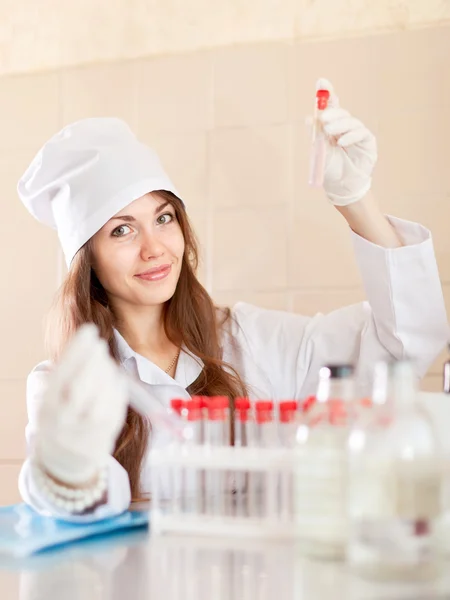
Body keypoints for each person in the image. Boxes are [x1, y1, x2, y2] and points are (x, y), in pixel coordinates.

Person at [16, 79, 448, 522]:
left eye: (163, 218)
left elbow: (405, 346)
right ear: (88, 259)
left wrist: (357, 201)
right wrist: (70, 462)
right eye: (121, 230)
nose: (154, 248)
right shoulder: (60, 386)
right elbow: (74, 503)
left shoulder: (249, 339)